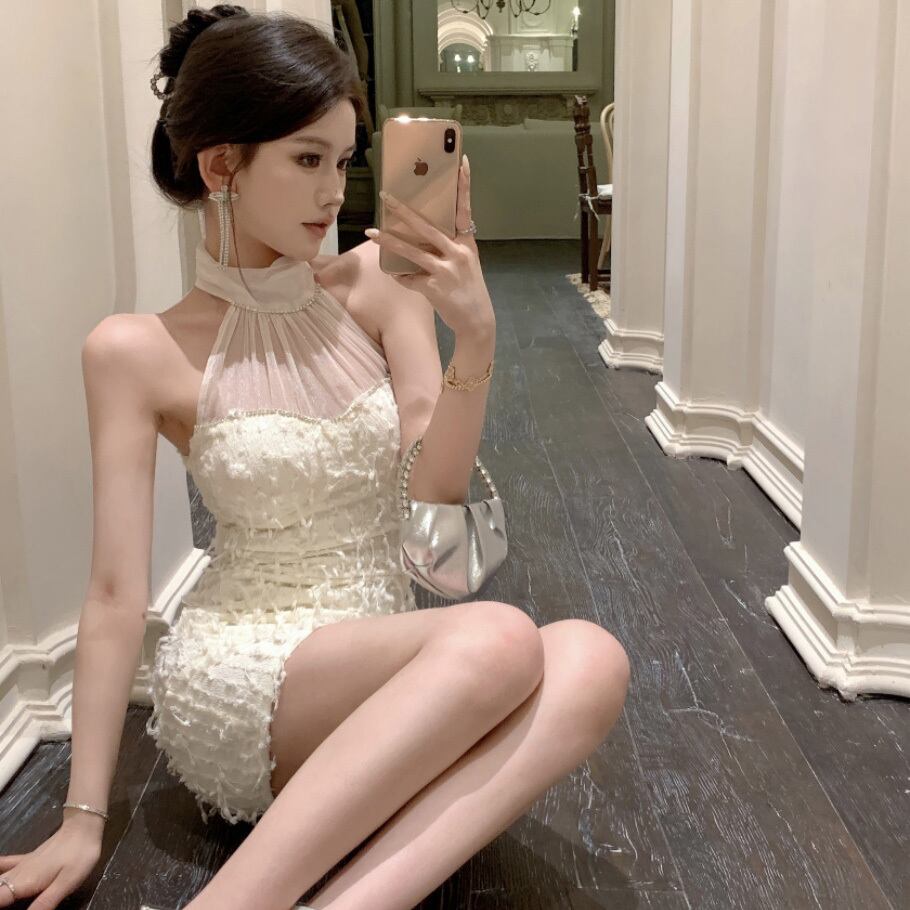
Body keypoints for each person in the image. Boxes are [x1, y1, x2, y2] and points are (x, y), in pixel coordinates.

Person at [0, 6, 630, 910]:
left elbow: (435, 528)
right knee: (496, 640)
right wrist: (82, 820)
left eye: (343, 161)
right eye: (307, 160)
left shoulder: (378, 288)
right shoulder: (136, 350)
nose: (335, 191)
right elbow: (111, 595)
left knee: (592, 660)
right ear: (221, 166)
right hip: (248, 675)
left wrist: (477, 342)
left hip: (393, 662)